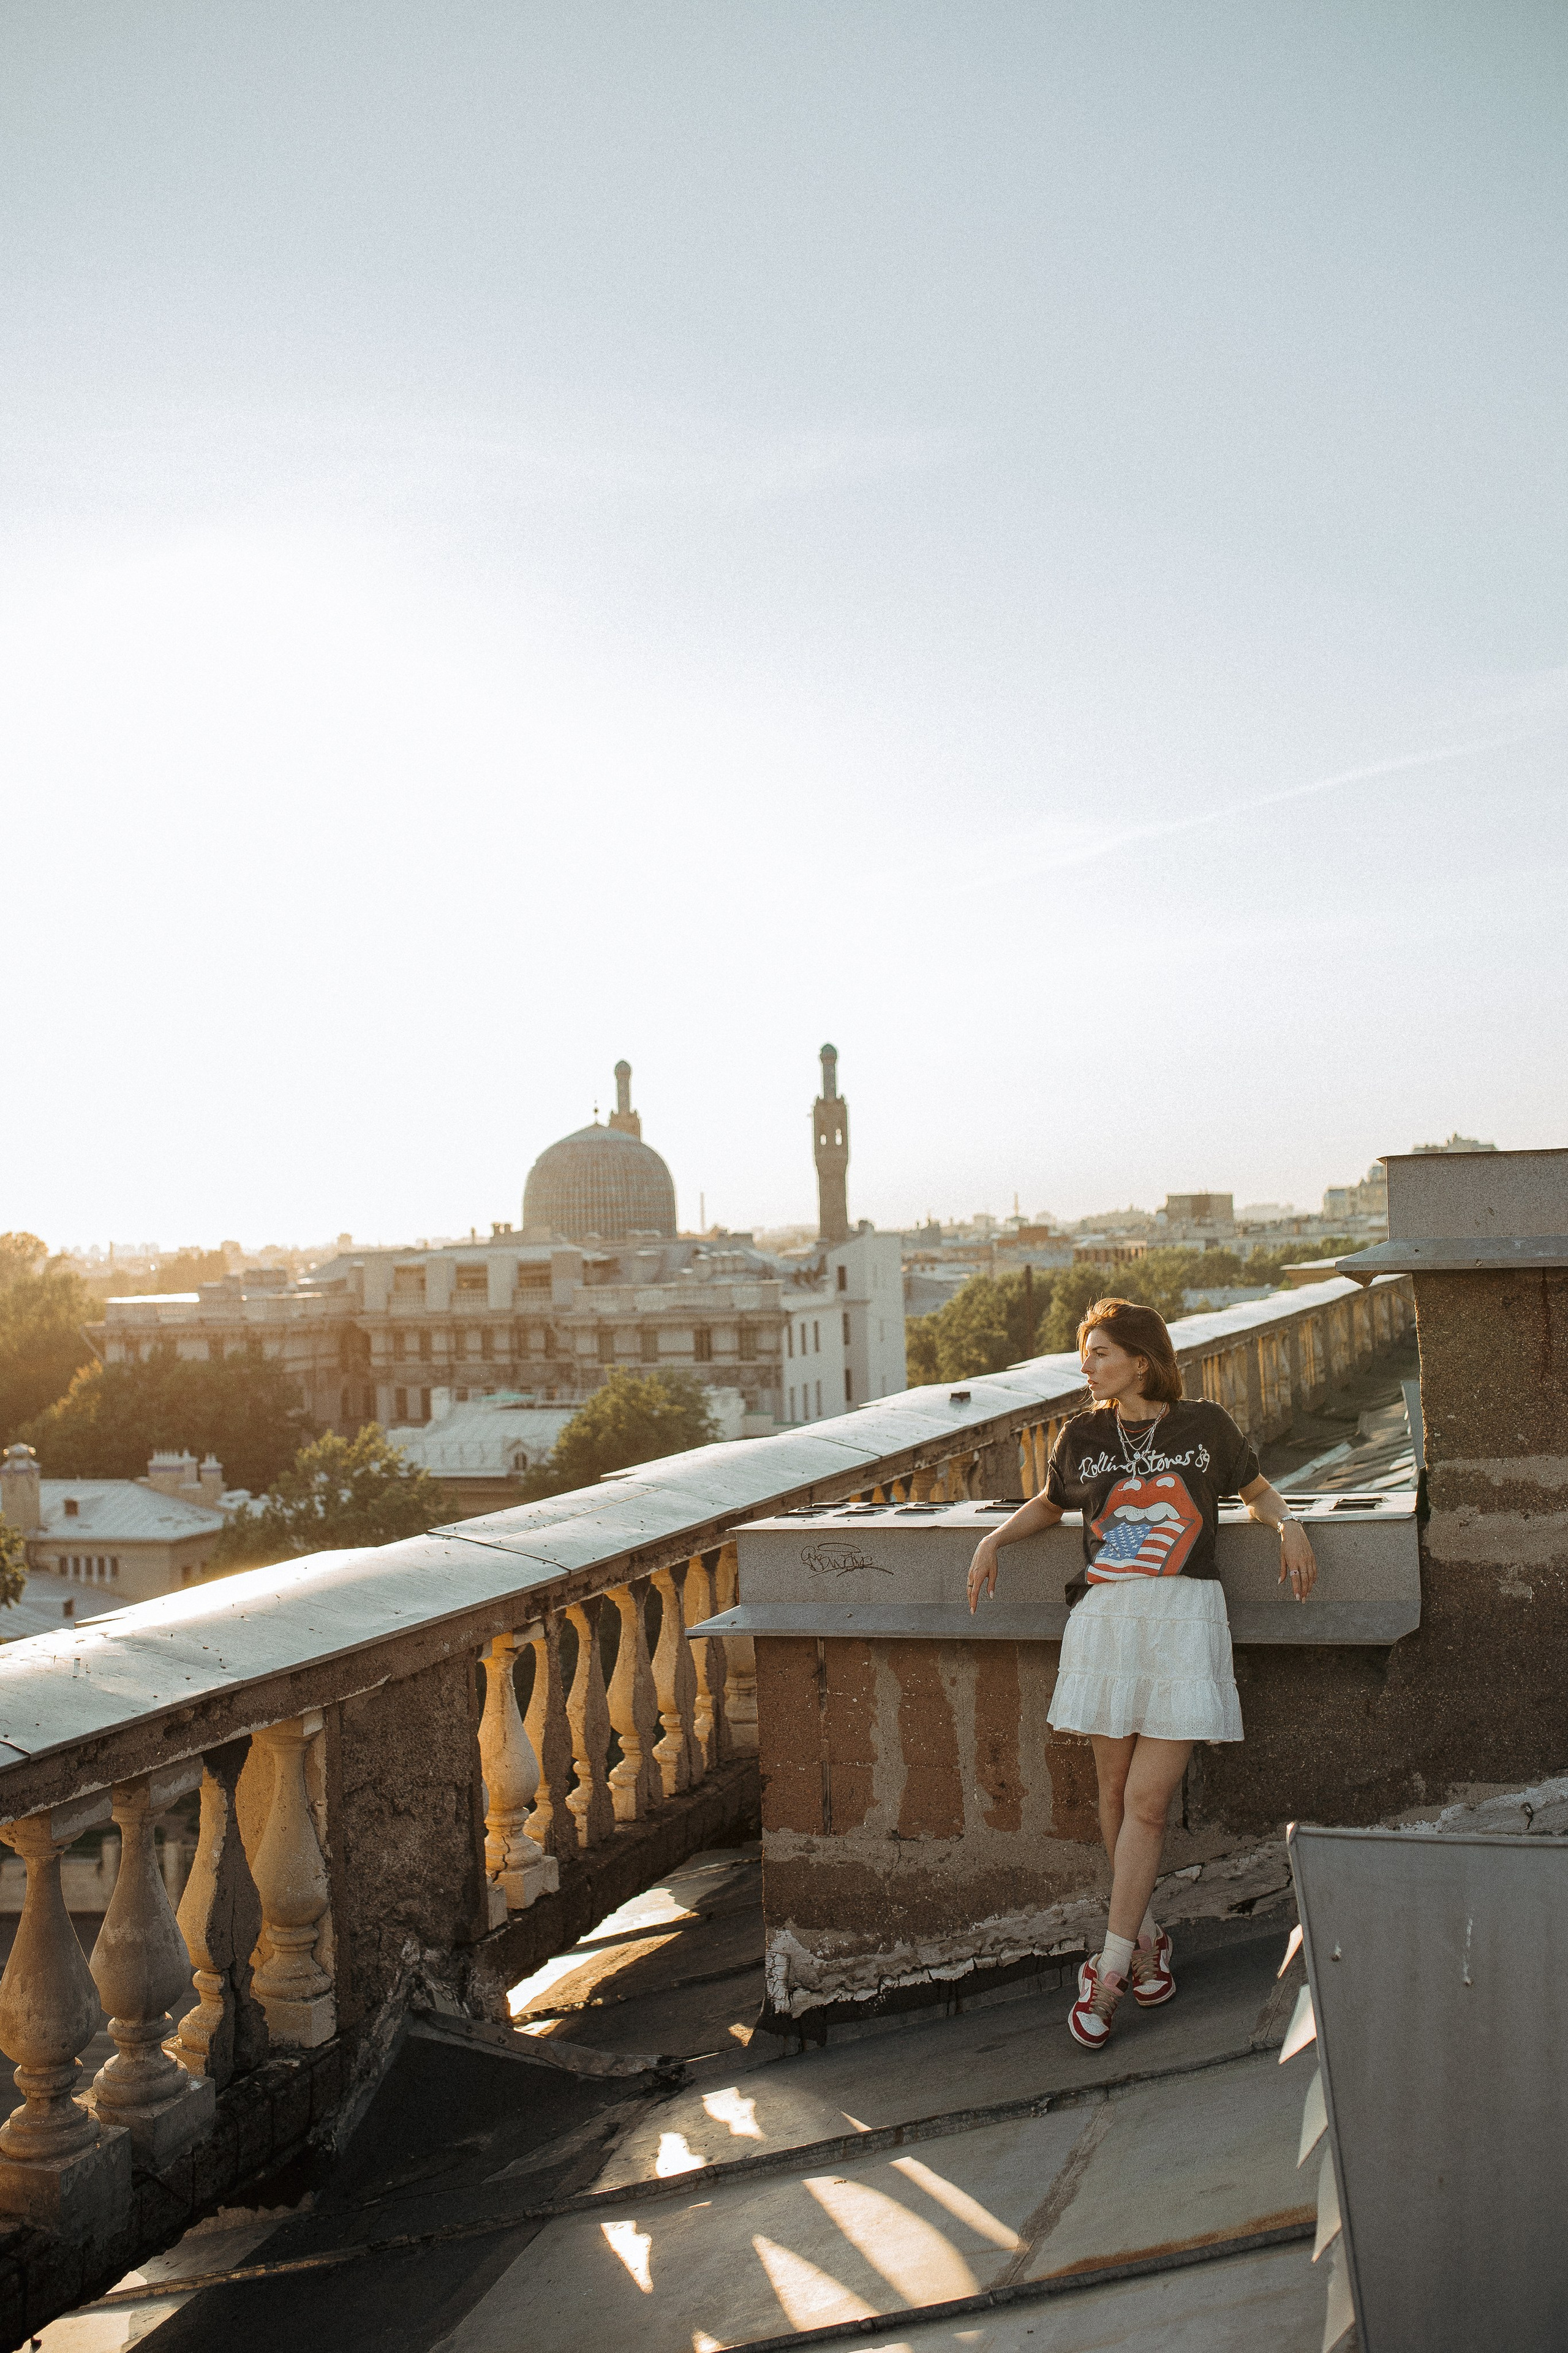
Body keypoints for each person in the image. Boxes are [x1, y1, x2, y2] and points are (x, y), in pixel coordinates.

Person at [965, 1296, 1317, 2050]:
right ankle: (1149, 1937)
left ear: (1141, 1359)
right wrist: (994, 1536)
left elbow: (1255, 1493)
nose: (1085, 1365)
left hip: (1184, 1621)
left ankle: (1110, 1969)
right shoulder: (1082, 1434)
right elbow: (1052, 1502)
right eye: (1084, 1352)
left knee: (1148, 1804)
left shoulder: (1205, 1425)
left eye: (1098, 1352)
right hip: (1106, 1620)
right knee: (1113, 1796)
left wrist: (1288, 1525)